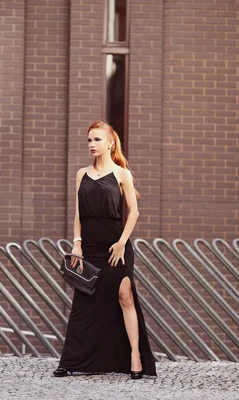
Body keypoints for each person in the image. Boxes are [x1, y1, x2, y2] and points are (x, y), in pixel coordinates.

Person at [53, 120, 157, 380]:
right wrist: (77, 243)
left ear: (110, 142)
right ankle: (71, 360)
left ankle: (135, 355)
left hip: (116, 246)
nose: (91, 144)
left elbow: (134, 212)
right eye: (89, 140)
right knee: (84, 302)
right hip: (89, 246)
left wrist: (122, 242)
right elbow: (78, 213)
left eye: (97, 139)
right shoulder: (81, 174)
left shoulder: (122, 174)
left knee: (125, 296)